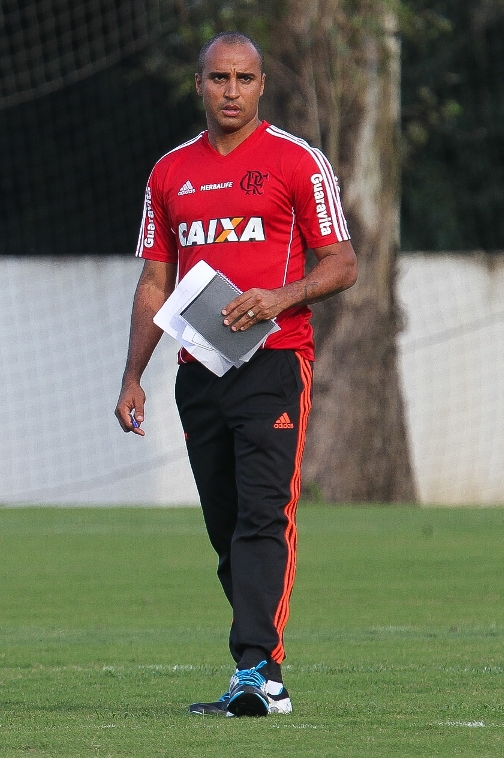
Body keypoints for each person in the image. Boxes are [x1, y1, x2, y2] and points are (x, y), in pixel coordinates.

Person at [114, 31, 357, 717]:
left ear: (261, 85)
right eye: (219, 78)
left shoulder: (296, 161)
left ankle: (258, 670)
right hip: (200, 369)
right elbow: (155, 280)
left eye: (244, 79)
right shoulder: (169, 172)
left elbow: (343, 263)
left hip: (276, 363)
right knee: (226, 525)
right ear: (199, 84)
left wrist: (279, 298)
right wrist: (132, 375)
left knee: (262, 514)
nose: (231, 91)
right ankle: (258, 667)